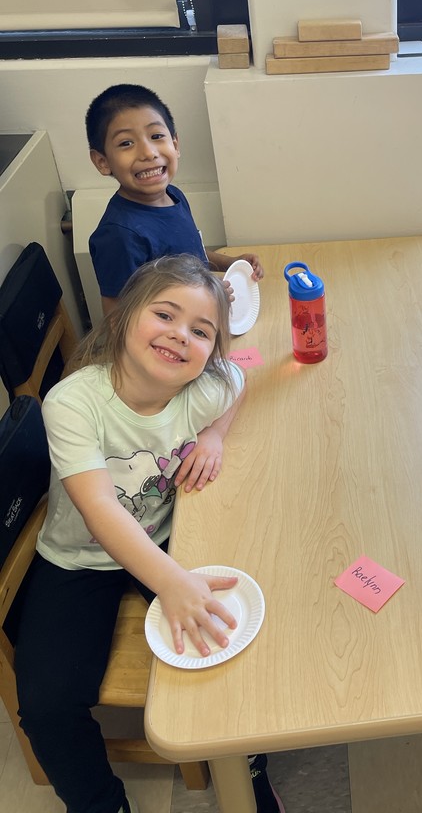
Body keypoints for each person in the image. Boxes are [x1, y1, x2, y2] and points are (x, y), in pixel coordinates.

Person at [11, 255, 283, 813]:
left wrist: (214, 437)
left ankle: (246, 767)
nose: (181, 334)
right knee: (46, 705)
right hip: (77, 558)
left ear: (211, 349)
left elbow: (237, 381)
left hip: (166, 536)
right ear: (123, 317)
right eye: (165, 314)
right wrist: (172, 583)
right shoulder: (73, 402)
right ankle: (100, 804)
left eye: (201, 331)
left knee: (234, 644)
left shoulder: (204, 388)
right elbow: (101, 513)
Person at [86, 83, 264, 316]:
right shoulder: (119, 235)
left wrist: (230, 263)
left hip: (202, 319)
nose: (148, 152)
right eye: (126, 143)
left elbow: (191, 256)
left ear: (175, 145)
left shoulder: (174, 195)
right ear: (102, 162)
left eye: (156, 136)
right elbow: (117, 316)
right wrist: (202, 296)